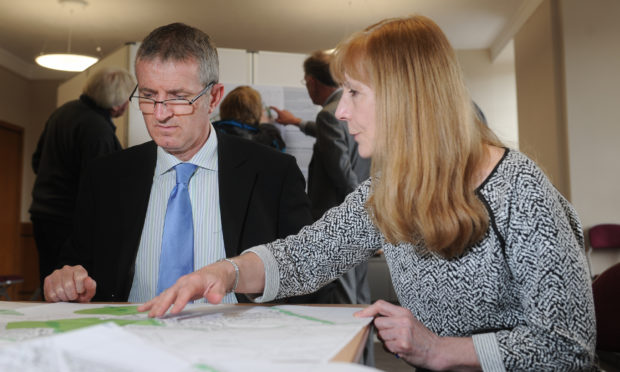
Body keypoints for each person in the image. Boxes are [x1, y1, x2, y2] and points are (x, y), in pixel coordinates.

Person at [141, 15, 597, 371]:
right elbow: (305, 257)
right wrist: (227, 272)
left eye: (354, 93)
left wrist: (440, 350)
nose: (340, 112)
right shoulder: (387, 191)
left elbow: (566, 347)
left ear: (406, 97)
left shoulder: (520, 187)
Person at [42, 23, 312, 304]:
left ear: (214, 97)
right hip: (133, 337)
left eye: (178, 97)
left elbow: (307, 278)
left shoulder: (273, 174)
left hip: (235, 342)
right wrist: (66, 279)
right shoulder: (105, 176)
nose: (160, 114)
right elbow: (76, 264)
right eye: (148, 96)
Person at [271, 51, 371, 306]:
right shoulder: (351, 112)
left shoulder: (329, 114)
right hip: (360, 219)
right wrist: (295, 122)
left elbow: (341, 171)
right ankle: (363, 346)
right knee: (359, 292)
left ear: (312, 81)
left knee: (343, 295)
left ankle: (346, 346)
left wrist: (362, 206)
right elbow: (332, 136)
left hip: (338, 217)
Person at [30, 67, 135, 292]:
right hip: (69, 221)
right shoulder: (98, 130)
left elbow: (36, 162)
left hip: (42, 215)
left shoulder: (62, 112)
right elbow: (101, 188)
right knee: (71, 287)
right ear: (118, 103)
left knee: (50, 281)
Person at [213, 85, 286, 151]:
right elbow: (281, 154)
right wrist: (265, 125)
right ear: (257, 113)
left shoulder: (212, 132)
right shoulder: (269, 136)